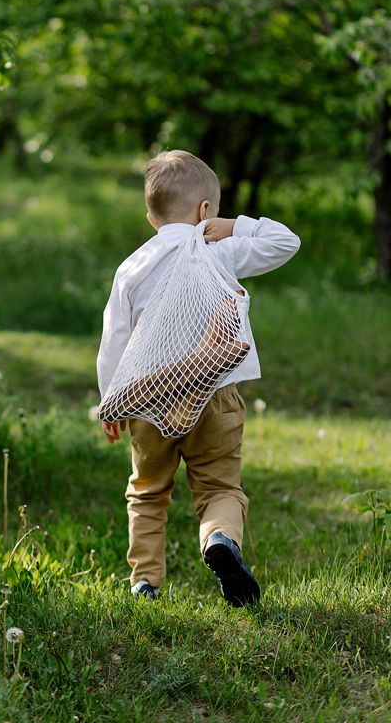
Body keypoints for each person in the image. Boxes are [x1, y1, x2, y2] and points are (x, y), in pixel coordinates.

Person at [96, 150, 300, 605]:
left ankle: (145, 581)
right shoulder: (218, 251)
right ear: (205, 211)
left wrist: (111, 400)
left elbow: (115, 338)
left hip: (151, 399)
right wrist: (233, 226)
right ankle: (219, 540)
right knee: (219, 488)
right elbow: (285, 241)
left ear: (151, 215)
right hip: (214, 393)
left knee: (147, 492)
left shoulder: (132, 267)